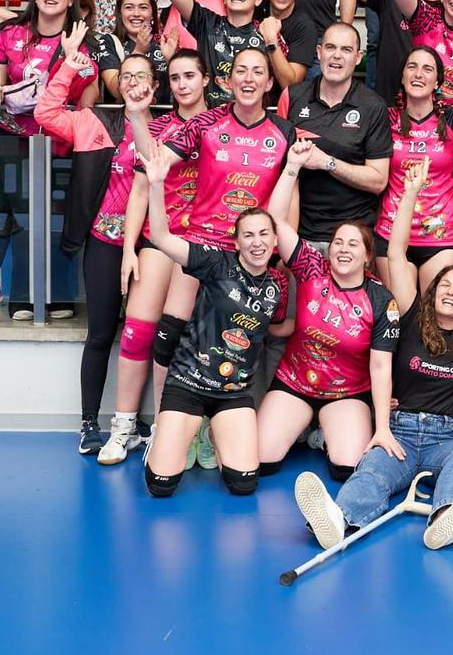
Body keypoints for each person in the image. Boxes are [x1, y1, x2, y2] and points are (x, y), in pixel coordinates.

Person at [291, 159, 453, 554]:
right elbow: (396, 253)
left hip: (448, 436)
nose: (450, 290)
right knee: (373, 471)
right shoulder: (413, 313)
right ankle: (338, 519)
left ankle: (447, 517)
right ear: (432, 291)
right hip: (399, 430)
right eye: (444, 284)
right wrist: (412, 192)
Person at [138, 144, 288, 496]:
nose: (257, 242)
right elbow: (161, 237)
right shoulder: (215, 263)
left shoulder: (277, 287)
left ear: (275, 240)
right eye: (248, 235)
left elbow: (278, 327)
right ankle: (174, 435)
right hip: (188, 384)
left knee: (243, 484)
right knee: (160, 486)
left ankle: (212, 433)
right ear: (236, 243)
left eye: (264, 234)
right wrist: (157, 184)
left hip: (232, 394)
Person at [33, 25, 153, 455]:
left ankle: (138, 421)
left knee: (144, 336)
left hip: (151, 248)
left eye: (143, 76)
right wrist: (69, 66)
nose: (134, 83)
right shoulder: (94, 122)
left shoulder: (169, 131)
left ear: (155, 86)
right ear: (116, 84)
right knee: (102, 334)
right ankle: (89, 424)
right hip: (104, 241)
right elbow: (45, 114)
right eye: (127, 76)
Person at [253, 137, 394, 478]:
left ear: (366, 255)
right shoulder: (312, 269)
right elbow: (275, 222)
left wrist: (383, 427)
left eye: (353, 245)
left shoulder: (379, 299)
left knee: (347, 467)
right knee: (260, 460)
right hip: (295, 383)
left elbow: (379, 366)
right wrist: (292, 167)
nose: (343, 250)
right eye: (338, 243)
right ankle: (308, 429)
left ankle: (322, 435)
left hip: (346, 392)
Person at [0, 0, 97, 317]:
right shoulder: (10, 33)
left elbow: (89, 99)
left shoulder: (83, 40)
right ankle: (19, 295)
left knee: (56, 214)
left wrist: (72, 60)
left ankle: (58, 296)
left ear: (71, 0)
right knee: (17, 208)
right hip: (11, 133)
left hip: (58, 139)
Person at [98, 47, 211, 463]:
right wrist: (129, 250)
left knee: (173, 334)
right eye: (176, 78)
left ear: (205, 81)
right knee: (137, 330)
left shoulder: (219, 124)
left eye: (190, 77)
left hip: (197, 243)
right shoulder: (159, 126)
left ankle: (167, 426)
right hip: (156, 239)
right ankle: (123, 425)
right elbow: (140, 191)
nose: (183, 85)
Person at [276, 22, 392, 246]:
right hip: (301, 235)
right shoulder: (293, 96)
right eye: (330, 47)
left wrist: (327, 162)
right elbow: (280, 169)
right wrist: (287, 237)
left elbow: (378, 181)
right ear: (319, 52)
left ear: (358, 58)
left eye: (346, 50)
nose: (336, 56)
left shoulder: (373, 106)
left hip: (353, 237)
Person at [375, 46, 453, 290]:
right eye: (412, 67)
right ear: (402, 77)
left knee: (439, 316)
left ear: (437, 81)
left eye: (427, 69)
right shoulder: (385, 119)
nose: (418, 74)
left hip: (441, 237)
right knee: (402, 315)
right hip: (391, 232)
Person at [93, 0, 172, 100]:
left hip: (162, 117)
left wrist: (171, 60)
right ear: (120, 13)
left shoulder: (164, 43)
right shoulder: (110, 42)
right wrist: (139, 52)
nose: (136, 14)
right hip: (125, 117)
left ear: (152, 13)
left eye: (143, 7)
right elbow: (115, 90)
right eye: (129, 7)